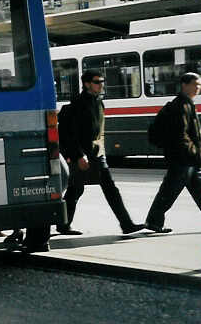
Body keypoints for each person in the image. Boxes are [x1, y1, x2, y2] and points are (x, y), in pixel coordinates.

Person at [58, 70, 145, 235]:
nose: (101, 84)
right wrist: (77, 156)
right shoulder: (78, 103)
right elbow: (69, 134)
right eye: (97, 81)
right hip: (84, 155)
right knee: (79, 189)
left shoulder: (98, 102)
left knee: (89, 188)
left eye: (102, 81)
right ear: (87, 84)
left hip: (97, 153)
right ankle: (125, 224)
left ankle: (126, 224)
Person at [144, 72, 201, 233]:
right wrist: (195, 152)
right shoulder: (181, 105)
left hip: (185, 159)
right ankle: (153, 221)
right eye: (195, 84)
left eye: (199, 85)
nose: (198, 88)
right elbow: (181, 135)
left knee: (190, 190)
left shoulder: (186, 103)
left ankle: (154, 221)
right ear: (184, 85)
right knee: (169, 192)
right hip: (183, 159)